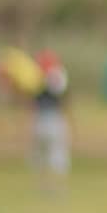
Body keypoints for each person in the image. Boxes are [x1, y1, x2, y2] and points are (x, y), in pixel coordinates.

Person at [30, 50, 72, 194]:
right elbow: (64, 99)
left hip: (42, 120)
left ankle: (44, 187)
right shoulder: (57, 77)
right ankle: (56, 188)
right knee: (56, 154)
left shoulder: (36, 78)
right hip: (53, 119)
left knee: (43, 154)